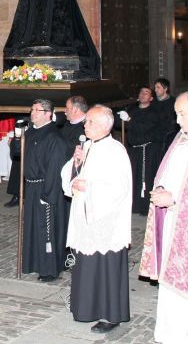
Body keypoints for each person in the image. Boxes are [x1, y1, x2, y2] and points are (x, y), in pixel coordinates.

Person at [139, 91, 188, 344]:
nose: (178, 120)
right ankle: (173, 333)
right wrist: (161, 188)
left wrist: (176, 199)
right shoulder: (185, 135)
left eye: (181, 114)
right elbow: (172, 170)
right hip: (174, 220)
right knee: (172, 277)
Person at [61, 105, 132, 334]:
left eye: (90, 122)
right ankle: (86, 308)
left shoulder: (115, 150)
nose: (85, 125)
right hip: (86, 217)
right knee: (87, 265)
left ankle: (111, 314)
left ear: (104, 125)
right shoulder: (87, 146)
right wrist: (76, 166)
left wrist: (89, 187)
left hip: (106, 220)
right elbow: (70, 175)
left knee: (106, 267)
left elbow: (118, 188)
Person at [12, 98, 68, 281]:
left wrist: (48, 194)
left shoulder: (54, 136)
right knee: (33, 227)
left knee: (47, 228)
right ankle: (34, 262)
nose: (32, 113)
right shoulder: (30, 132)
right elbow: (17, 154)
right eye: (32, 109)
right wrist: (17, 137)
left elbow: (55, 167)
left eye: (37, 110)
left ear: (48, 114)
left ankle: (49, 268)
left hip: (46, 187)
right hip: (32, 186)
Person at [120, 87, 160, 215]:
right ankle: (134, 206)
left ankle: (144, 207)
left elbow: (143, 128)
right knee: (133, 178)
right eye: (141, 92)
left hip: (147, 150)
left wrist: (129, 120)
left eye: (146, 93)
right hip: (134, 150)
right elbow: (118, 125)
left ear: (151, 98)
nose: (142, 95)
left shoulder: (153, 112)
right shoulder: (132, 110)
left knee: (144, 179)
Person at [152, 77, 177, 163]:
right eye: (155, 87)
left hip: (167, 135)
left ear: (165, 89)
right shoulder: (152, 102)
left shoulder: (173, 102)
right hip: (153, 136)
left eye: (158, 87)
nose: (155, 90)